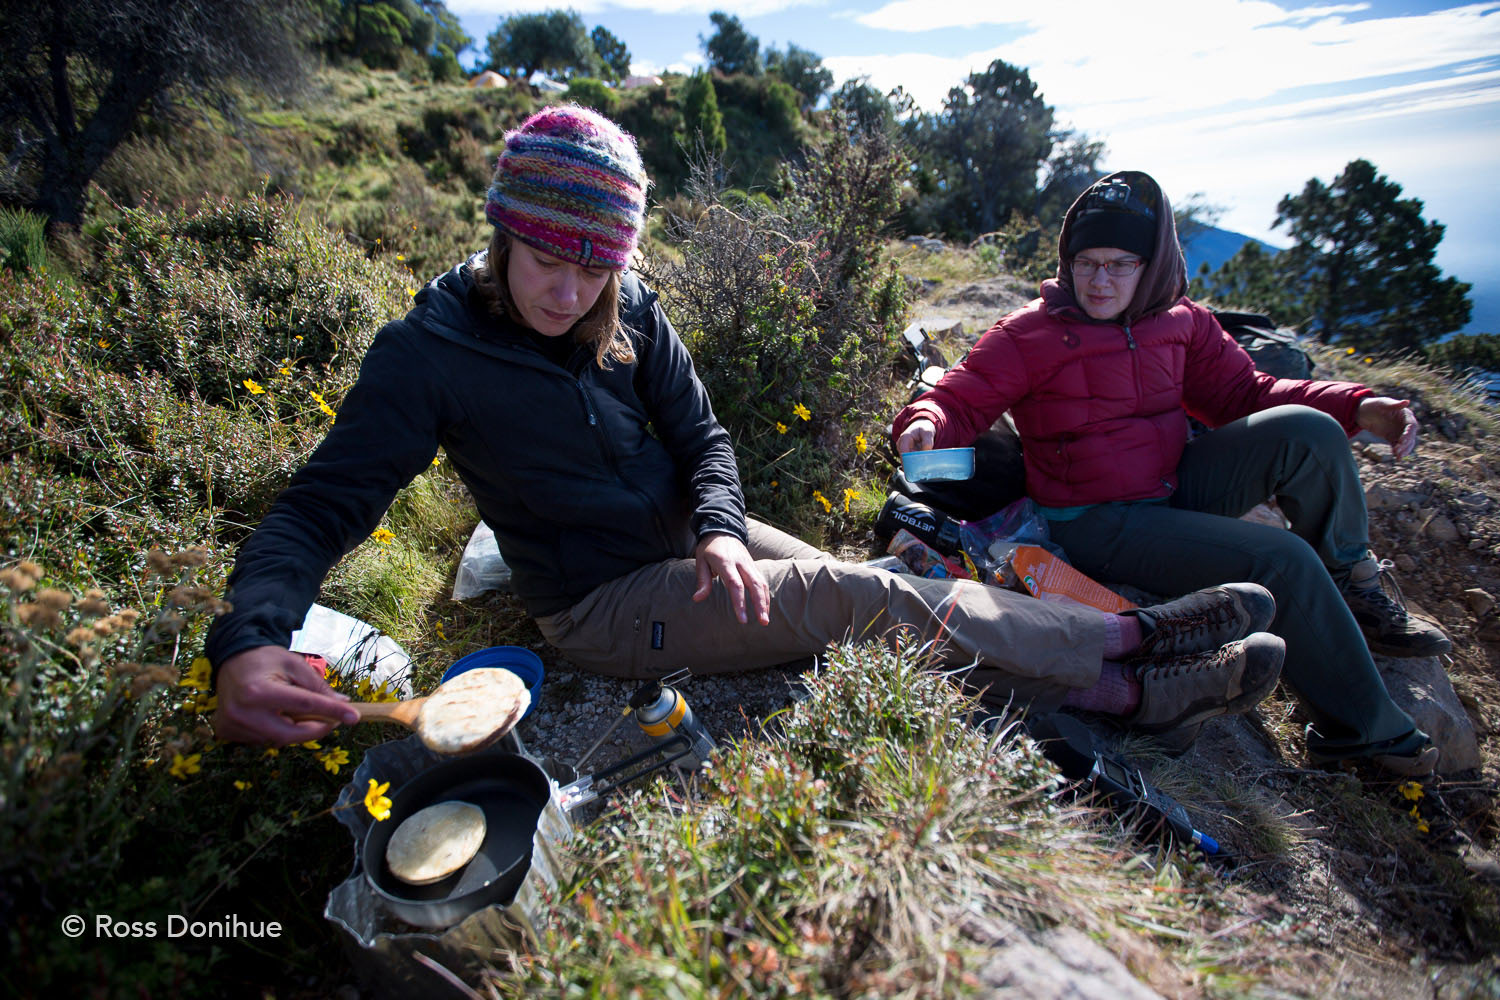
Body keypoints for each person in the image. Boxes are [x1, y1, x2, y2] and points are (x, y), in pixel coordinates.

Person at [206, 107, 1286, 750]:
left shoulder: (626, 308)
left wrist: (722, 527)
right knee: (859, 597)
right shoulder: (431, 351)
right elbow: (318, 507)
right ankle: (1126, 644)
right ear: (502, 233)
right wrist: (249, 641)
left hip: (691, 546)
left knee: (883, 607)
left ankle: (1119, 698)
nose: (570, 289)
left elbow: (705, 438)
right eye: (548, 257)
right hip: (601, 601)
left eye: (598, 264)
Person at [893, 169, 1448, 777]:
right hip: (1096, 521)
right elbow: (961, 396)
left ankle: (1356, 587)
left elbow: (1247, 392)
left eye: (1120, 264)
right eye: (1086, 262)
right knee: (1281, 560)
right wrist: (927, 420)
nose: (1100, 280)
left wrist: (1355, 404)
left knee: (1308, 432)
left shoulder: (1180, 320)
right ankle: (1367, 734)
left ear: (1151, 264)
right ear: (1066, 260)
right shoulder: (1030, 334)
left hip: (1170, 483)